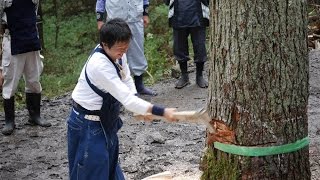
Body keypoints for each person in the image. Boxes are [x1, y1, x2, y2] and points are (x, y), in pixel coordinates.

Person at [68, 18, 176, 180]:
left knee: (111, 170)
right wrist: (160, 111)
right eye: (120, 49)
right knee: (92, 173)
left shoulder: (118, 54)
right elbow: (125, 98)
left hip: (105, 121)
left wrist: (137, 102)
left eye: (125, 48)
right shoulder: (100, 66)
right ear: (105, 44)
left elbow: (126, 80)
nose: (123, 52)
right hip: (87, 125)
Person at [0, 0, 51, 136]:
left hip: (31, 38)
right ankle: (10, 121)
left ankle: (35, 116)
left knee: (34, 79)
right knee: (10, 82)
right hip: (12, 39)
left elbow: (34, 11)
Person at [96, 0, 158, 96]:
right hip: (115, 21)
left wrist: (145, 13)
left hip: (135, 19)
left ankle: (139, 86)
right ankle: (118, 90)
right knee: (115, 54)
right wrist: (99, 20)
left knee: (137, 53)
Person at [164, 0, 210, 89]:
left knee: (200, 46)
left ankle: (199, 76)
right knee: (179, 47)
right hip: (178, 14)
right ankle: (184, 76)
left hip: (198, 14)